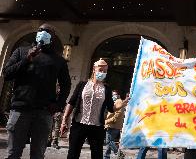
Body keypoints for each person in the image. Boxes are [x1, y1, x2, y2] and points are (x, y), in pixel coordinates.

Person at [3, 23, 71, 159]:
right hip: (20, 109)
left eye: (47, 31)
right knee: (13, 153)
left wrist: (58, 104)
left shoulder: (58, 60)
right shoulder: (22, 51)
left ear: (52, 37)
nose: (43, 32)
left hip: (43, 112)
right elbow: (7, 73)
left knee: (38, 154)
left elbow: (66, 85)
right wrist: (26, 59)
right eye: (40, 30)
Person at [60, 59, 129, 159]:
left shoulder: (106, 89)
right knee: (73, 154)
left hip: (97, 127)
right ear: (94, 69)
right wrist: (64, 120)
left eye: (105, 71)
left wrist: (122, 104)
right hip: (79, 124)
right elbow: (71, 103)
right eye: (100, 70)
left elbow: (111, 108)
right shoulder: (82, 85)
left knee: (97, 156)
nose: (102, 73)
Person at [104, 91, 128, 159]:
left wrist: (107, 121)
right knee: (109, 142)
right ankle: (106, 156)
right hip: (112, 125)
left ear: (118, 95)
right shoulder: (115, 102)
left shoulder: (119, 102)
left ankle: (118, 153)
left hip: (113, 125)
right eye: (112, 94)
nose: (113, 96)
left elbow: (117, 115)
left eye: (115, 94)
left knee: (109, 142)